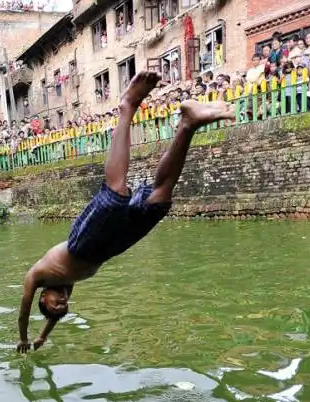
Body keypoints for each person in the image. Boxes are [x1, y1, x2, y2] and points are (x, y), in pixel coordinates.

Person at [15, 71, 234, 353]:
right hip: (111, 248)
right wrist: (43, 337)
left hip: (82, 243)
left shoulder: (37, 277)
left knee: (116, 193)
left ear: (42, 299)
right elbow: (55, 318)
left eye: (54, 305)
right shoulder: (65, 288)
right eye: (63, 307)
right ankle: (188, 124)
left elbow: (22, 312)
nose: (62, 303)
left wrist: (23, 337)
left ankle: (128, 105)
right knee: (159, 201)